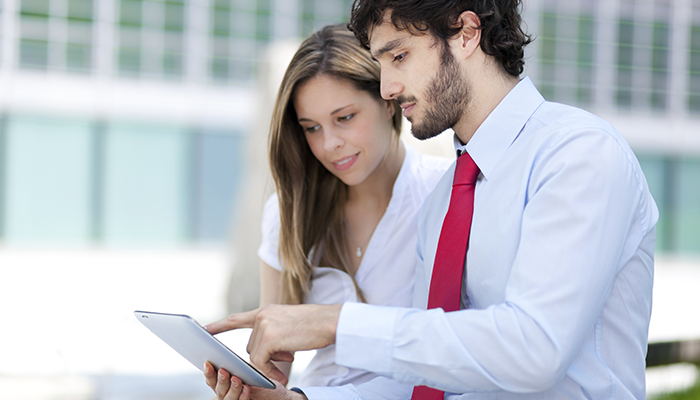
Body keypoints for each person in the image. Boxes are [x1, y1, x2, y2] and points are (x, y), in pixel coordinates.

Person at [205, 1, 659, 399]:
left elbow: (535, 348)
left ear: (465, 33)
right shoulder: (444, 201)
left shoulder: (577, 155)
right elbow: (425, 374)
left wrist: (336, 323)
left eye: (399, 56)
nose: (386, 88)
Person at [203, 23, 451, 399]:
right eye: (311, 128)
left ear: (387, 101)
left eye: (345, 118)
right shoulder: (290, 212)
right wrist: (254, 386)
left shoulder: (444, 196)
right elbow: (275, 363)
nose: (329, 144)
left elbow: (449, 354)